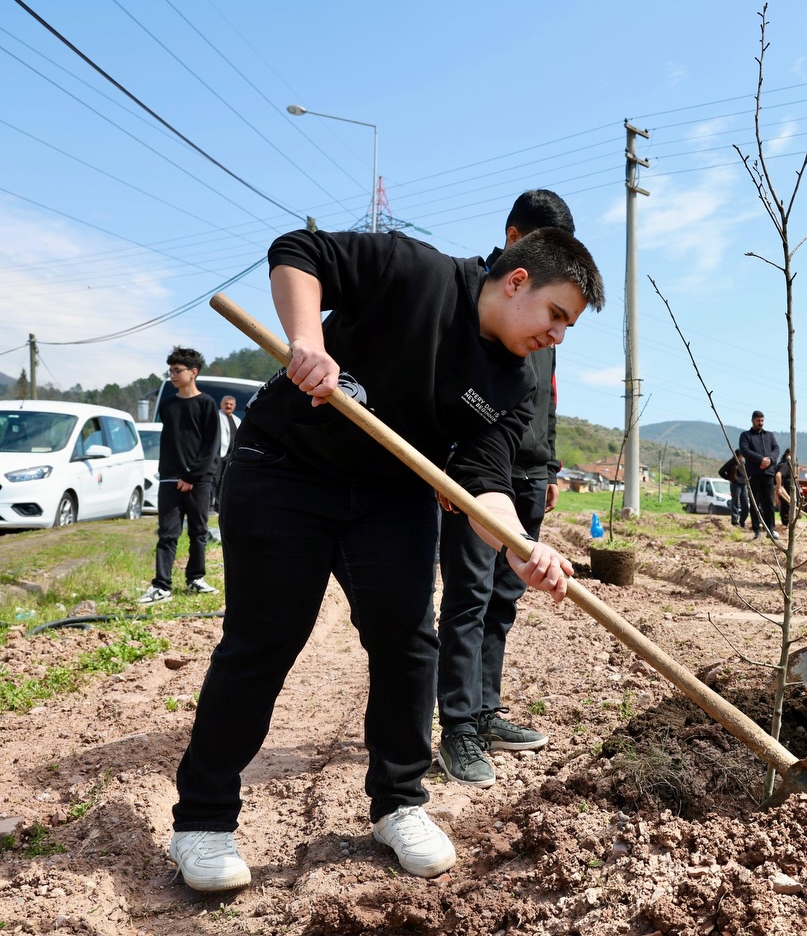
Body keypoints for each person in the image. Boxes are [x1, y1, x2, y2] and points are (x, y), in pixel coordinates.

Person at [167, 226, 604, 893]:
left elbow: (483, 480)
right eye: (556, 315)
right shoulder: (416, 271)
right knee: (266, 638)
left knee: (408, 642)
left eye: (567, 326)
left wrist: (522, 546)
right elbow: (298, 252)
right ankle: (202, 820)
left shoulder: (514, 383)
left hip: (390, 493)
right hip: (285, 467)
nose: (557, 336)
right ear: (518, 281)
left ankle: (399, 804)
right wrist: (308, 342)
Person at [435, 190, 574, 791]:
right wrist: (449, 465)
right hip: (476, 470)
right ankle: (458, 726)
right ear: (515, 238)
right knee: (468, 596)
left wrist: (549, 467)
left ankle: (486, 710)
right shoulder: (478, 299)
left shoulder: (546, 313)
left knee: (503, 598)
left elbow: (545, 397)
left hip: (528, 471)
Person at [138, 347, 220, 604]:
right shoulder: (167, 404)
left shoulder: (206, 403)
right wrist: (175, 475)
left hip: (198, 480)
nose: (172, 375)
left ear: (193, 372)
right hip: (169, 478)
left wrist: (192, 476)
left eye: (177, 370)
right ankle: (161, 586)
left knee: (198, 531)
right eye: (170, 370)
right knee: (167, 533)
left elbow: (211, 445)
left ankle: (195, 578)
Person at [739, 411, 779, 541]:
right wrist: (760, 460)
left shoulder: (769, 435)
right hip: (754, 474)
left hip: (768, 474)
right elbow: (745, 450)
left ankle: (771, 529)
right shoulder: (746, 436)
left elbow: (776, 449)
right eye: (758, 421)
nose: (760, 423)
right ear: (752, 420)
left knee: (769, 503)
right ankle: (756, 530)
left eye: (762, 421)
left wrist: (770, 460)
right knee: (755, 502)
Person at [212, 395, 240, 512]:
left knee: (225, 481)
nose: (228, 406)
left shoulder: (237, 420)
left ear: (234, 406)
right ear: (221, 404)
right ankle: (210, 505)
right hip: (218, 455)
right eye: (226, 403)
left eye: (231, 404)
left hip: (230, 457)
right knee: (215, 480)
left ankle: (219, 506)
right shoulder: (215, 416)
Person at [720, 449, 748, 528]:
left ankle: (742, 521)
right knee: (735, 502)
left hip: (743, 485)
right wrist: (729, 478)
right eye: (740, 456)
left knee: (745, 504)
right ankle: (735, 521)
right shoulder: (731, 462)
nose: (741, 458)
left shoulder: (743, 463)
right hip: (735, 484)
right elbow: (721, 471)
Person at [774, 448, 794, 529]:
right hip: (783, 486)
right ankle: (785, 523)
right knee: (786, 505)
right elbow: (778, 476)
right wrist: (779, 488)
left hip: (784, 486)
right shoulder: (786, 464)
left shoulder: (784, 464)